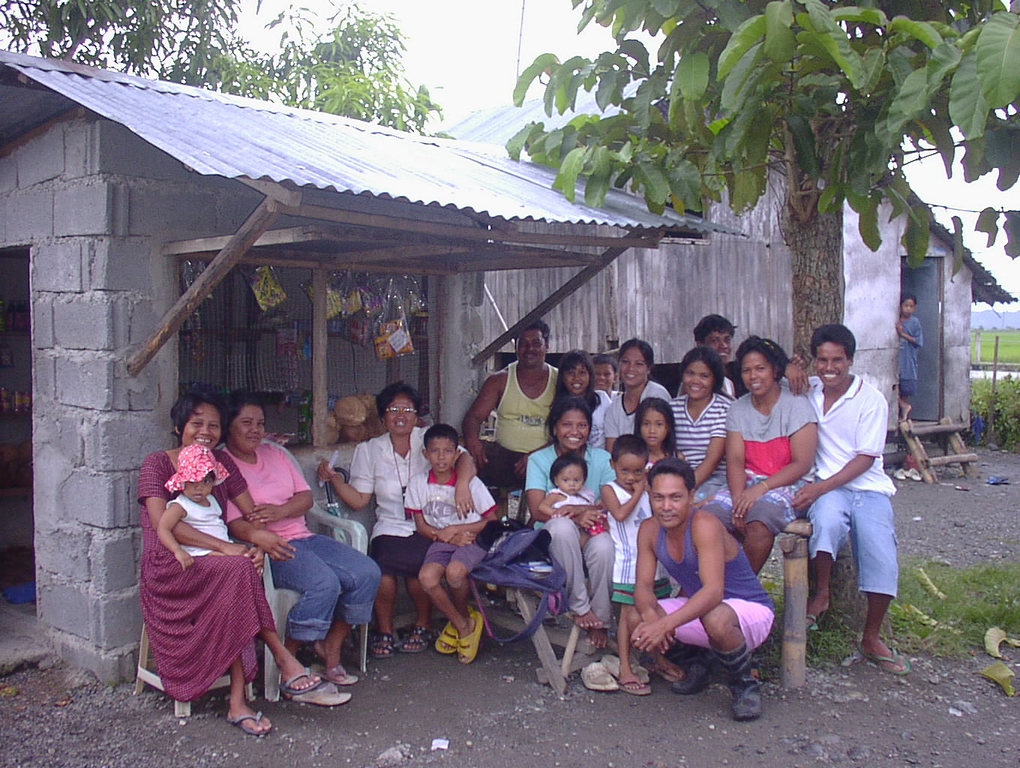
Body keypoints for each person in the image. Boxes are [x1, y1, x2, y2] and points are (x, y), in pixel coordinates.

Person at [139, 390, 345, 737]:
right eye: (197, 424)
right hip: (173, 563)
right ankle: (279, 661)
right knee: (238, 570)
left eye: (214, 425)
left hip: (221, 563)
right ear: (179, 427)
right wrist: (228, 548)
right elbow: (165, 525)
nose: (206, 432)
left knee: (240, 571)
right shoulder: (157, 464)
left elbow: (252, 514)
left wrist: (256, 541)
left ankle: (242, 697)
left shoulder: (221, 464)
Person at [224, 393, 381, 688]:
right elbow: (234, 523)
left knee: (366, 572)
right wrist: (261, 534)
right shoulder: (225, 465)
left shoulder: (277, 454)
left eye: (260, 423)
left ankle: (330, 647)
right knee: (324, 583)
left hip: (304, 537)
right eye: (246, 423)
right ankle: (289, 660)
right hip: (271, 546)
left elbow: (306, 498)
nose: (255, 430)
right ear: (229, 425)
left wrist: (280, 511)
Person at [318, 382, 477, 659]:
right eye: (393, 410)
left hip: (430, 522)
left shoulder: (429, 439)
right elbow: (359, 500)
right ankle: (385, 631)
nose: (400, 415)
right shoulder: (370, 449)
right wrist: (335, 480)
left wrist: (462, 485)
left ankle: (422, 625)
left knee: (419, 571)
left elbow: (466, 459)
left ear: (417, 416)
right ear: (383, 417)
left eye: (407, 410)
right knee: (382, 571)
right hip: (390, 525)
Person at [792, 325, 908, 675]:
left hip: (867, 487)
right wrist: (788, 367)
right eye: (822, 360)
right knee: (826, 523)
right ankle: (822, 593)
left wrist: (819, 488)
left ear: (851, 361)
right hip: (830, 489)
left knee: (881, 555)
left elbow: (865, 459)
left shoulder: (870, 399)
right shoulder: (808, 390)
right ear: (814, 361)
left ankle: (871, 637)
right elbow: (771, 378)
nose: (830, 368)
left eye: (837, 360)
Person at [631, 459, 775, 721]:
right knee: (634, 616)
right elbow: (642, 586)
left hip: (748, 610)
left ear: (691, 496)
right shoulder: (649, 529)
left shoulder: (704, 524)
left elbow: (713, 592)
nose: (666, 506)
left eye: (675, 497)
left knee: (715, 618)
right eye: (658, 497)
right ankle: (702, 661)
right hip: (704, 611)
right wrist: (651, 617)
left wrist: (663, 625)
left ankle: (744, 685)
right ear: (649, 496)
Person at [701, 337, 818, 573]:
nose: (753, 376)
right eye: (746, 370)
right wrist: (738, 499)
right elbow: (735, 460)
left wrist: (760, 489)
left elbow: (802, 463)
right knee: (708, 518)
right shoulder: (738, 409)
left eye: (760, 368)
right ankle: (713, 584)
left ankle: (740, 586)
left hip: (790, 483)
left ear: (775, 370)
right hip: (748, 482)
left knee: (761, 518)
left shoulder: (797, 405)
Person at [525, 396, 615, 646]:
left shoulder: (602, 459)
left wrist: (583, 514)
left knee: (605, 547)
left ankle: (601, 620)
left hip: (592, 529)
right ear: (555, 427)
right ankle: (580, 606)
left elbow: (609, 503)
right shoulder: (539, 460)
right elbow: (537, 510)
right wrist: (578, 514)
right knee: (562, 527)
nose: (574, 432)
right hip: (553, 538)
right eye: (567, 424)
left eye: (582, 425)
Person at [407, 424, 497, 664]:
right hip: (441, 541)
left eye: (447, 451)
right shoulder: (418, 483)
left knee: (455, 573)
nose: (441, 457)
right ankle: (463, 624)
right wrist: (444, 535)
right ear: (425, 454)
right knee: (427, 578)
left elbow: (492, 521)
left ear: (457, 454)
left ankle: (462, 619)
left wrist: (456, 530)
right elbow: (421, 526)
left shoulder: (471, 485)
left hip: (471, 540)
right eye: (434, 451)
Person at [600, 435, 675, 694]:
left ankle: (657, 658)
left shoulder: (648, 489)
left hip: (654, 560)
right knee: (626, 615)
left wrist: (649, 490)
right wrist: (640, 492)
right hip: (628, 563)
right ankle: (625, 664)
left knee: (657, 609)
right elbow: (620, 514)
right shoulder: (610, 489)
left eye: (637, 471)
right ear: (612, 465)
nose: (631, 477)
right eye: (625, 471)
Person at [462, 319, 558, 489]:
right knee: (460, 450)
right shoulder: (499, 380)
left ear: (547, 346)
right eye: (524, 344)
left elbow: (568, 431)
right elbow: (473, 418)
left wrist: (538, 456)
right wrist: (472, 440)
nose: (529, 349)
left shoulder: (559, 381)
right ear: (516, 347)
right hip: (504, 458)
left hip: (548, 457)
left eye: (536, 343)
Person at [156, 444, 232, 572]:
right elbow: (163, 528)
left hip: (223, 548)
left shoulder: (212, 500)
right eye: (192, 482)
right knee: (238, 564)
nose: (199, 487)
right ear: (183, 482)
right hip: (200, 553)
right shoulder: (180, 505)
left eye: (206, 481)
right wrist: (177, 550)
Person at [693, 314, 809, 398]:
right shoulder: (693, 379)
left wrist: (785, 366)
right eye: (714, 340)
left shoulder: (738, 371)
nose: (723, 346)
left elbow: (763, 347)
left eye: (727, 340)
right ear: (700, 344)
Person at [670, 346, 731, 500]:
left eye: (704, 376)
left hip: (715, 480)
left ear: (715, 379)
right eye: (690, 373)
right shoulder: (671, 408)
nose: (695, 381)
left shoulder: (724, 409)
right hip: (676, 477)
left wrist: (684, 489)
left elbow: (712, 460)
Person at [603, 339, 671, 453]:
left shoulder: (657, 395)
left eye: (639, 364)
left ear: (648, 369)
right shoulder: (614, 408)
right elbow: (611, 450)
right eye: (625, 362)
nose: (631, 368)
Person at [555, 349, 613, 449]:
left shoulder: (602, 399)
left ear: (590, 376)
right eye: (571, 373)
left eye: (582, 373)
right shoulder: (557, 404)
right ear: (563, 377)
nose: (576, 378)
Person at [539, 453, 604, 536]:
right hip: (562, 529)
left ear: (583, 480)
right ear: (556, 481)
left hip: (583, 529)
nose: (571, 484)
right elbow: (542, 507)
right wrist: (557, 514)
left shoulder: (586, 495)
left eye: (576, 480)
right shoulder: (557, 495)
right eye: (566, 480)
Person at [896, 292, 923, 422]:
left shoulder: (915, 323)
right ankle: (902, 409)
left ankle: (904, 416)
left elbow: (918, 341)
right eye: (906, 305)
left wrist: (902, 334)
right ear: (900, 306)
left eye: (911, 306)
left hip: (907, 361)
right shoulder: (895, 319)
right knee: (893, 388)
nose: (908, 309)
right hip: (895, 360)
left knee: (905, 390)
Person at [634, 396, 679, 466]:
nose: (652, 431)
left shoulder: (676, 458)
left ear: (668, 426)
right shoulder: (633, 458)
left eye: (659, 424)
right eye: (646, 424)